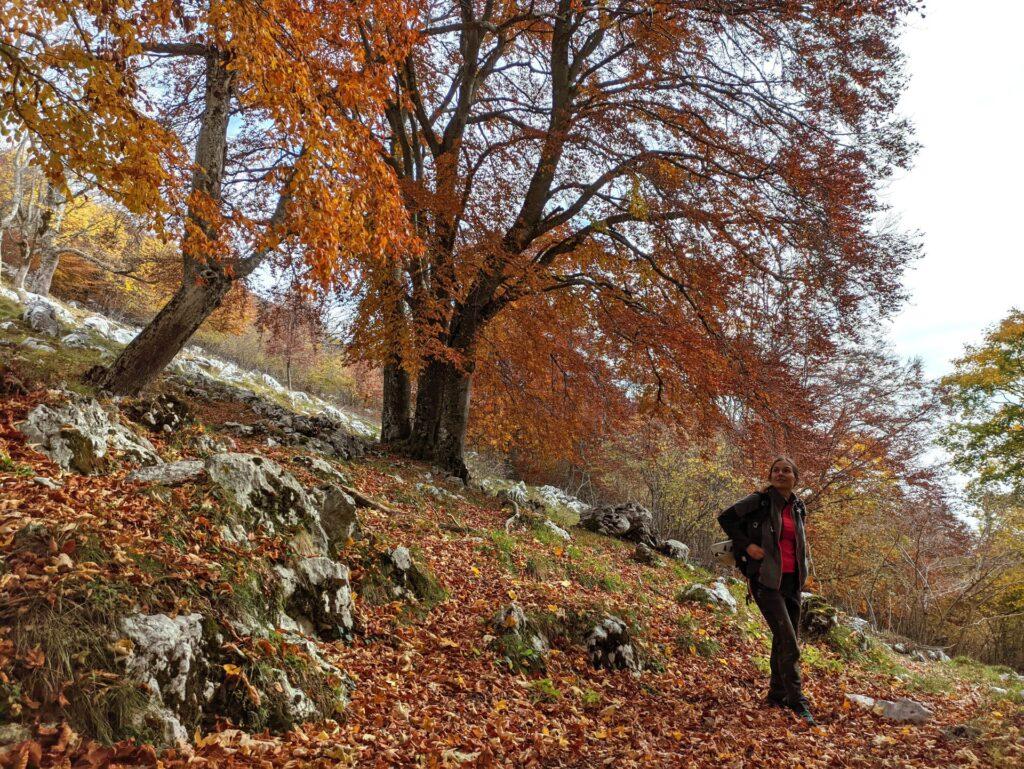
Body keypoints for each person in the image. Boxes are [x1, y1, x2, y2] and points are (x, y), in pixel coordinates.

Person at [717, 456, 814, 725]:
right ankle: (797, 701)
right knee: (790, 642)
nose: (780, 474)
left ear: (796, 477)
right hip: (765, 579)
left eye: (786, 471)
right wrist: (747, 546)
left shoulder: (798, 507)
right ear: (770, 475)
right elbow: (726, 518)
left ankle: (776, 694)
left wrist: (805, 574)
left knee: (783, 638)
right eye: (776, 470)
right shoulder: (759, 500)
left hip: (793, 581)